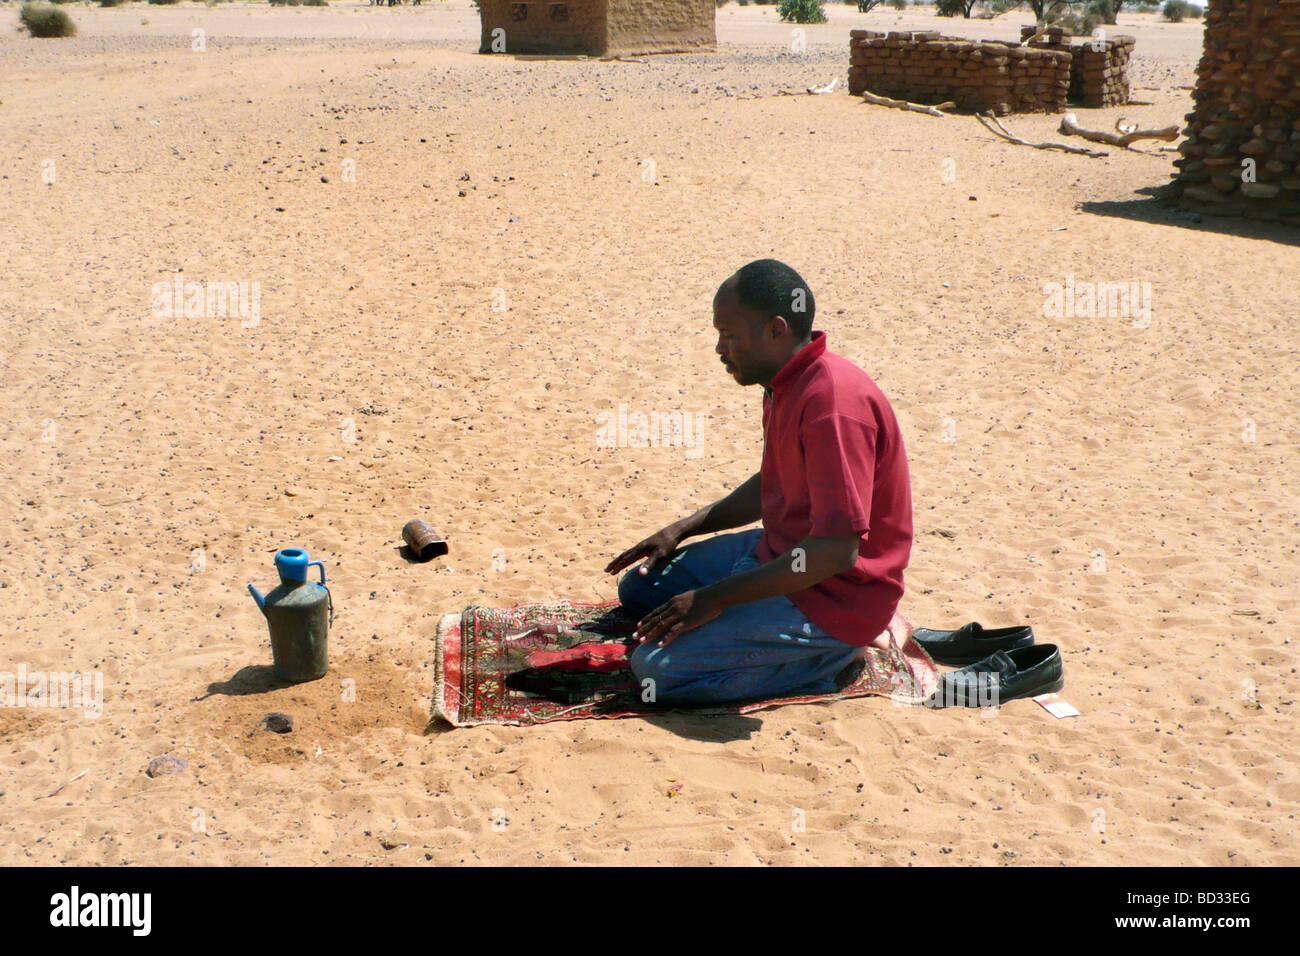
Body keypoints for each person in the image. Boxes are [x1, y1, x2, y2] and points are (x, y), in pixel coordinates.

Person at [603, 259, 913, 706]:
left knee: (656, 670)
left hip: (837, 597)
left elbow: (835, 550)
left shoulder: (833, 405)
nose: (719, 348)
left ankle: (828, 660)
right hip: (783, 554)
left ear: (776, 329)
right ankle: (753, 620)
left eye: (729, 335)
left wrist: (715, 598)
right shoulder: (784, 382)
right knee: (640, 588)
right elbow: (775, 481)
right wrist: (683, 528)